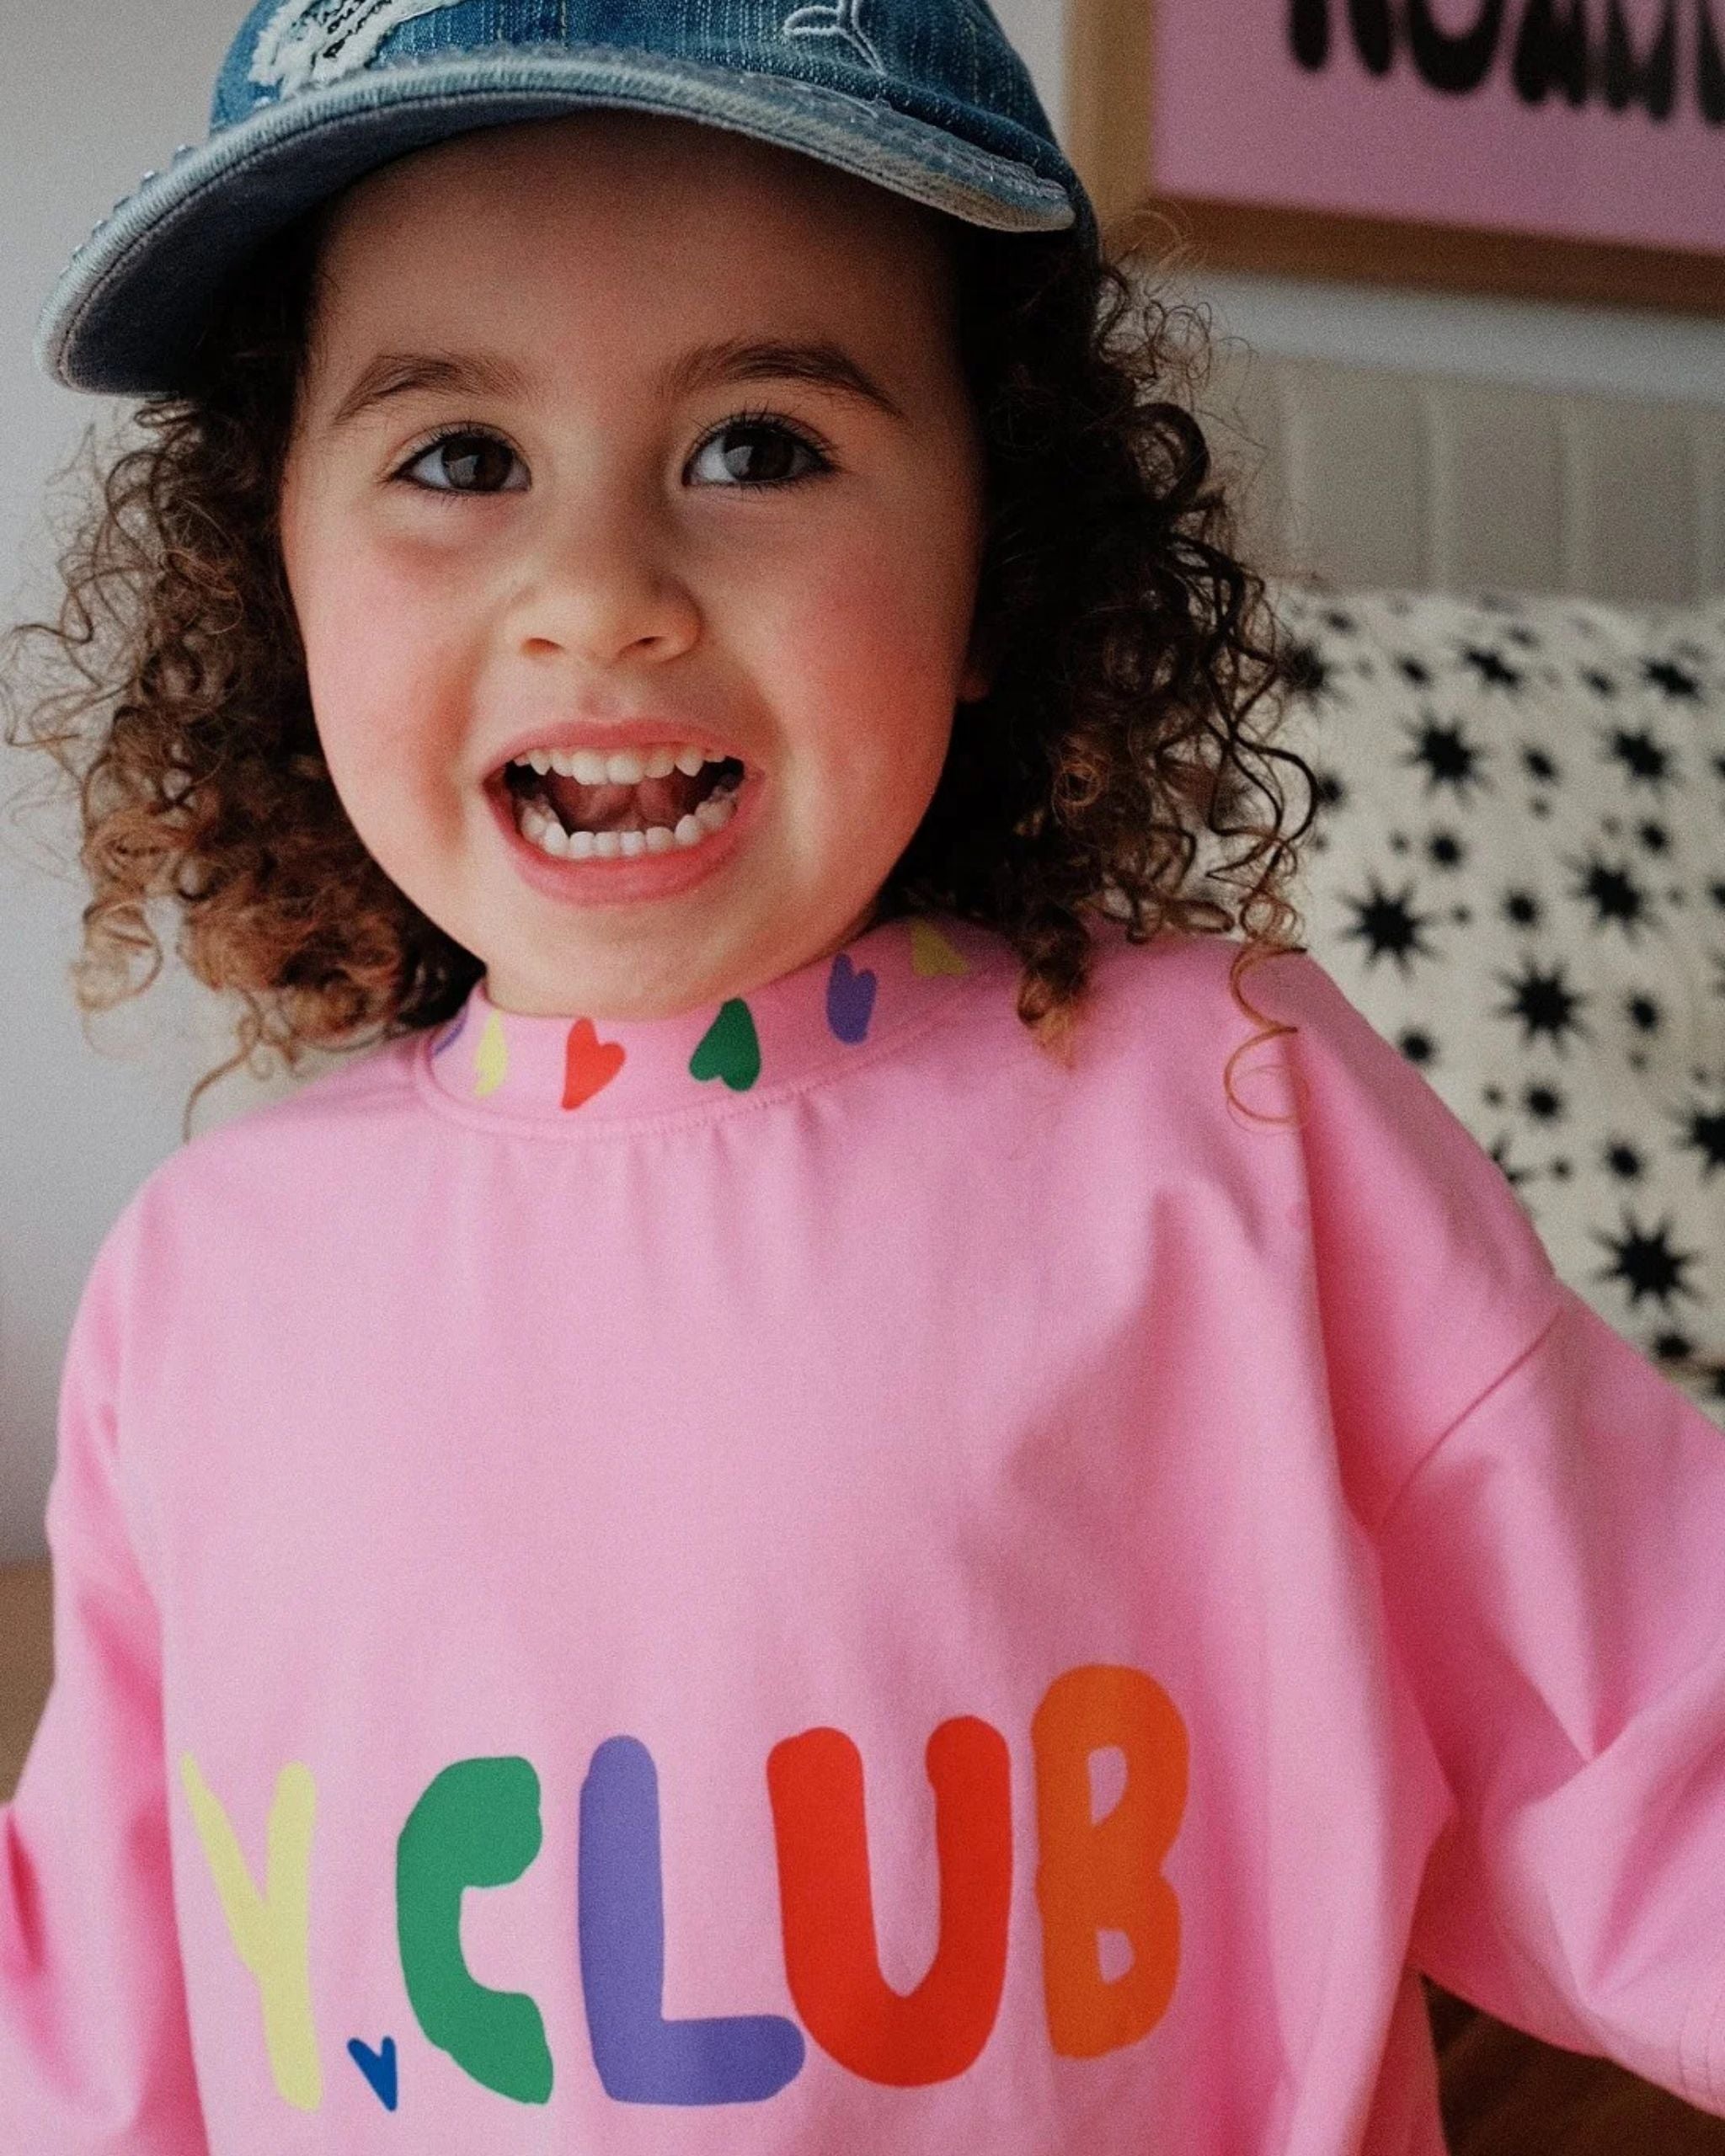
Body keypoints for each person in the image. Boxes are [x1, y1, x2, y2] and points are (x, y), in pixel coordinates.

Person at [3, 3, 1723, 2151]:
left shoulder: (1228, 1119)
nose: (601, 598)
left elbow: (1656, 1734)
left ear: (993, 557)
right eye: (458, 458)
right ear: (278, 558)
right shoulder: (200, 1288)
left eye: (758, 444)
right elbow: (92, 2019)